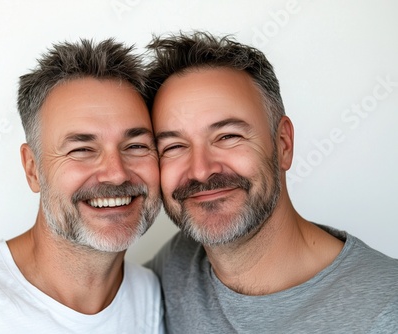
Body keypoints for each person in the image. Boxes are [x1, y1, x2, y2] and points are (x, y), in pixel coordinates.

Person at [0, 38, 163, 333]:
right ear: (32, 168)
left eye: (136, 146)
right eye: (82, 149)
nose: (116, 174)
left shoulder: (154, 296)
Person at [145, 31, 398, 333]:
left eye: (228, 136)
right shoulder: (176, 264)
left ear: (283, 144)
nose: (201, 171)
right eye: (174, 147)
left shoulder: (386, 309)